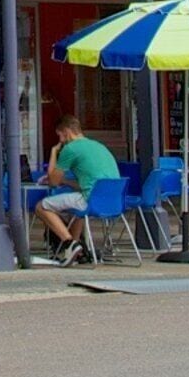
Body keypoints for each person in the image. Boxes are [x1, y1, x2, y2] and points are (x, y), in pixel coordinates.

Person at [33, 111, 122, 263]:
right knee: (77, 210)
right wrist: (66, 182)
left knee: (41, 206)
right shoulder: (99, 146)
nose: (60, 140)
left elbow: (53, 181)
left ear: (66, 132)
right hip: (113, 202)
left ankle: (69, 242)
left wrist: (54, 152)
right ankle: (76, 250)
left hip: (89, 200)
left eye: (60, 135)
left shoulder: (70, 149)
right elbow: (91, 182)